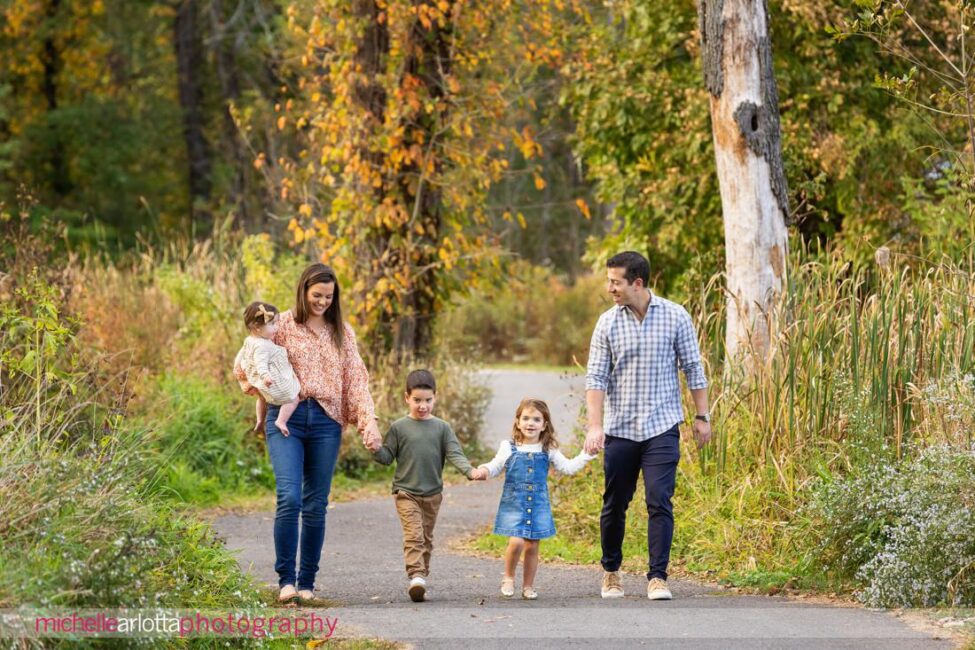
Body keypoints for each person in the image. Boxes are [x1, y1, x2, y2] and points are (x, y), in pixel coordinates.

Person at [234, 263, 382, 604]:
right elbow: (247, 357)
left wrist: (367, 421)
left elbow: (356, 379)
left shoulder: (342, 332)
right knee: (289, 497)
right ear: (303, 291)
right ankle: (285, 580)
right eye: (317, 296)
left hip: (327, 422)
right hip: (287, 418)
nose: (323, 302)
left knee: (316, 504)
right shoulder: (281, 324)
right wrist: (262, 386)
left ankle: (307, 583)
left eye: (329, 297)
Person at [583, 250, 712, 601]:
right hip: (621, 428)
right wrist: (595, 427)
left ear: (636, 283)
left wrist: (702, 417)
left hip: (662, 426)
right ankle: (611, 571)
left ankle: (658, 577)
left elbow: (693, 370)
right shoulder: (607, 323)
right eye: (609, 281)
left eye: (615, 282)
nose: (610, 288)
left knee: (659, 500)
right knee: (615, 503)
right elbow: (596, 378)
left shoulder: (675, 316)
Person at [372, 369, 487, 602]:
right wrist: (374, 447)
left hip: (433, 494)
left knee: (426, 537)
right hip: (406, 492)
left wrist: (470, 471)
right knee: (414, 535)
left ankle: (421, 576)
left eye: (428, 400)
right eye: (417, 400)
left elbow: (455, 454)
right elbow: (386, 458)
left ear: (435, 397)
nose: (422, 405)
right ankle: (415, 576)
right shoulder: (399, 427)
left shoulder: (442, 428)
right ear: (407, 398)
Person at [477, 398, 595, 600]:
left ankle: (528, 586)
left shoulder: (547, 449)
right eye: (526, 418)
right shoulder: (509, 446)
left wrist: (586, 454)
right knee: (516, 541)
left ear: (544, 425)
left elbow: (567, 468)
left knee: (532, 546)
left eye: (536, 419)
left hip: (538, 504)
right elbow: (496, 465)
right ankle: (508, 576)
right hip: (514, 503)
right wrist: (484, 470)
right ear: (517, 421)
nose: (530, 423)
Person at [234, 301, 301, 436]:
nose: (277, 327)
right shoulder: (262, 346)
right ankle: (281, 421)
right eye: (272, 324)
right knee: (294, 398)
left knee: (262, 398)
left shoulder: (250, 340)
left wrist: (239, 367)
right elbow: (261, 363)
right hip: (270, 380)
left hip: (259, 384)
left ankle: (260, 419)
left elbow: (242, 357)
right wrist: (265, 376)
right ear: (257, 328)